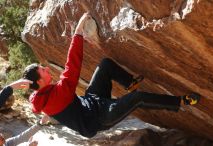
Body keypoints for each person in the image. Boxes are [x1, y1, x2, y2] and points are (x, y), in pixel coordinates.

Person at [22, 13, 201, 138]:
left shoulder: (37, 94)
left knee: (105, 65)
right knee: (137, 98)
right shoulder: (57, 95)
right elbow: (72, 65)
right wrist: (78, 31)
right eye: (42, 70)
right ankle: (180, 102)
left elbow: (38, 100)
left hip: (90, 102)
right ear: (40, 81)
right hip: (98, 120)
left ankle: (130, 82)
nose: (46, 68)